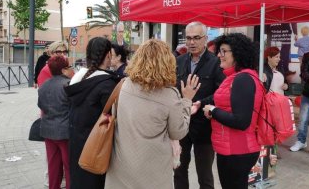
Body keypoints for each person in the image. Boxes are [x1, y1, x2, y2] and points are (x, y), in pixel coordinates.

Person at [105, 39, 200, 189]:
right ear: (167, 62)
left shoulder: (124, 84)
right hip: (152, 172)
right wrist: (187, 100)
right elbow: (178, 132)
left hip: (122, 166)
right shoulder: (169, 94)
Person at [203, 33, 265, 189]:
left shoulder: (242, 79)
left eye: (224, 51)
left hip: (237, 150)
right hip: (232, 149)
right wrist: (201, 103)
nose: (219, 55)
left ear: (237, 53)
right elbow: (221, 100)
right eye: (219, 51)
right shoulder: (235, 77)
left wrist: (213, 111)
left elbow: (241, 121)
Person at [64, 37, 120, 189]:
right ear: (108, 55)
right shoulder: (107, 84)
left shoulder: (78, 78)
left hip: (76, 143)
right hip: (97, 147)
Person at [174, 21, 225, 189]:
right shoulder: (179, 61)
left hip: (205, 126)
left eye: (196, 38)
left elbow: (221, 93)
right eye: (188, 38)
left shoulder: (216, 63)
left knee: (204, 174)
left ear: (205, 38)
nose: (191, 42)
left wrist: (201, 103)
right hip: (181, 124)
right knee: (179, 169)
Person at [38, 56, 74, 189]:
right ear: (64, 69)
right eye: (69, 67)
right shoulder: (68, 85)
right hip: (65, 132)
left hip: (48, 131)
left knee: (53, 167)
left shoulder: (43, 86)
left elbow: (41, 105)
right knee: (69, 167)